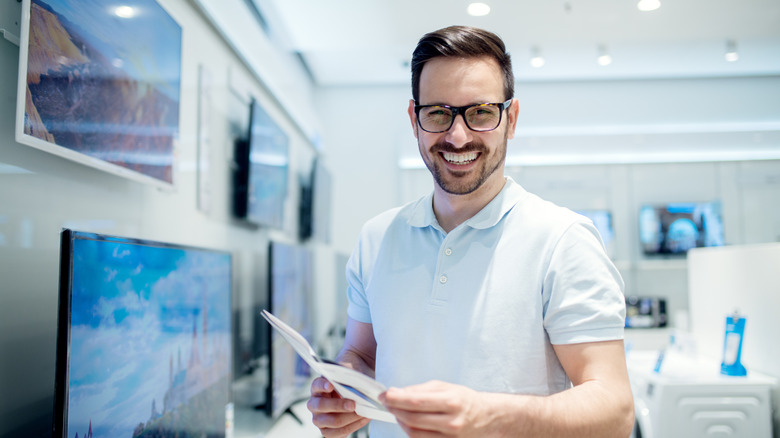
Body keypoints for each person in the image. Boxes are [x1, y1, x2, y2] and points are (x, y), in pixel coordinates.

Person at [308, 25, 634, 438]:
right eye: (438, 113)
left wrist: (492, 416)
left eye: (480, 112)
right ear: (415, 119)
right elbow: (361, 354)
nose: (457, 136)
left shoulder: (562, 240)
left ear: (510, 119)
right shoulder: (377, 237)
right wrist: (343, 389)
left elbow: (615, 409)